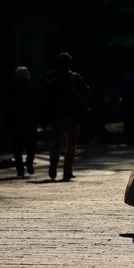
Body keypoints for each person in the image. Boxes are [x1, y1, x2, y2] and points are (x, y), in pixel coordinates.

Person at [43, 52, 89, 180]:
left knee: (56, 142)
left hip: (55, 116)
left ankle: (53, 161)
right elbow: (85, 91)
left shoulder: (49, 78)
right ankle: (67, 171)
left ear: (57, 64)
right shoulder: (74, 78)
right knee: (71, 144)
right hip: (71, 116)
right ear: (69, 65)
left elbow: (44, 97)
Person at [5, 66, 41, 177]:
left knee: (17, 148)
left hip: (16, 123)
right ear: (27, 77)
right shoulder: (34, 91)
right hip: (30, 122)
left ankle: (20, 169)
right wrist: (42, 122)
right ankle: (29, 161)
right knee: (31, 145)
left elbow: (8, 109)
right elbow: (39, 108)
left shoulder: (11, 91)